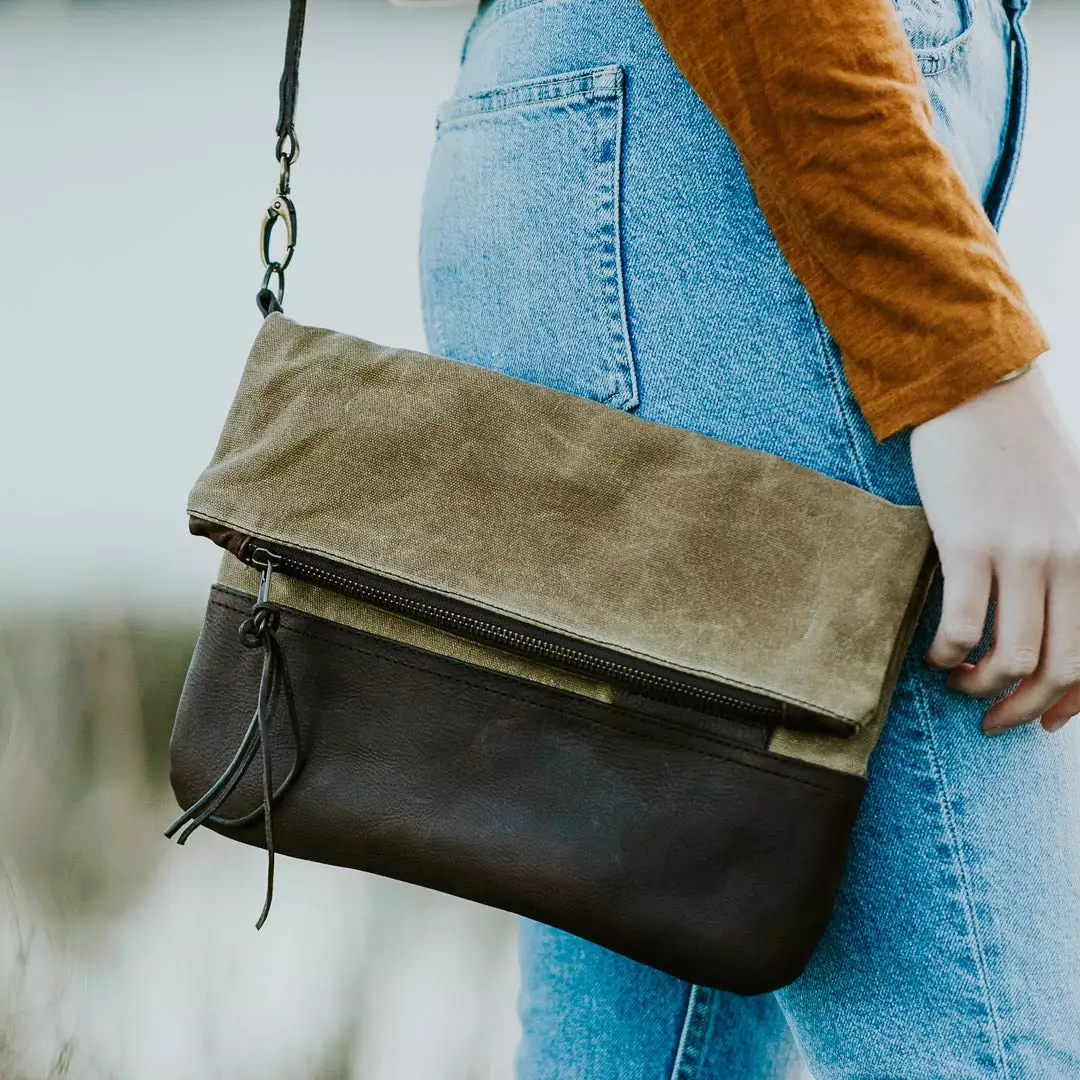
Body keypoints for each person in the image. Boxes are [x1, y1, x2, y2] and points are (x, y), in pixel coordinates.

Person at [417, 0, 1080, 1074]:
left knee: (653, 1050)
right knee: (983, 1046)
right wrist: (961, 352)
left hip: (613, 127)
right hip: (739, 134)